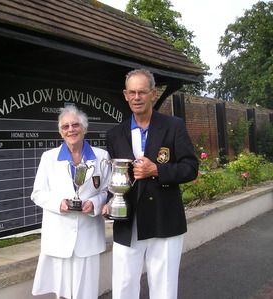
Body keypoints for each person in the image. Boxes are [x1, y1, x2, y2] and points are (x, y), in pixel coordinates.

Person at [102, 69, 199, 299]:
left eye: (142, 92)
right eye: (132, 92)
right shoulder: (115, 134)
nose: (137, 97)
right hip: (128, 218)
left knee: (163, 286)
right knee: (124, 284)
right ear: (125, 95)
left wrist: (156, 169)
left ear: (153, 94)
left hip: (163, 216)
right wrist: (109, 202)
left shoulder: (174, 126)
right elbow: (114, 177)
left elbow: (190, 167)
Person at [31, 105, 111, 299]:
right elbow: (38, 193)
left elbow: (107, 191)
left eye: (75, 125)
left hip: (88, 236)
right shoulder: (49, 158)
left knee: (86, 292)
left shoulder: (101, 157)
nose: (71, 129)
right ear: (61, 132)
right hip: (59, 236)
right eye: (66, 126)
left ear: (84, 128)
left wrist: (94, 203)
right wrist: (60, 203)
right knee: (62, 292)